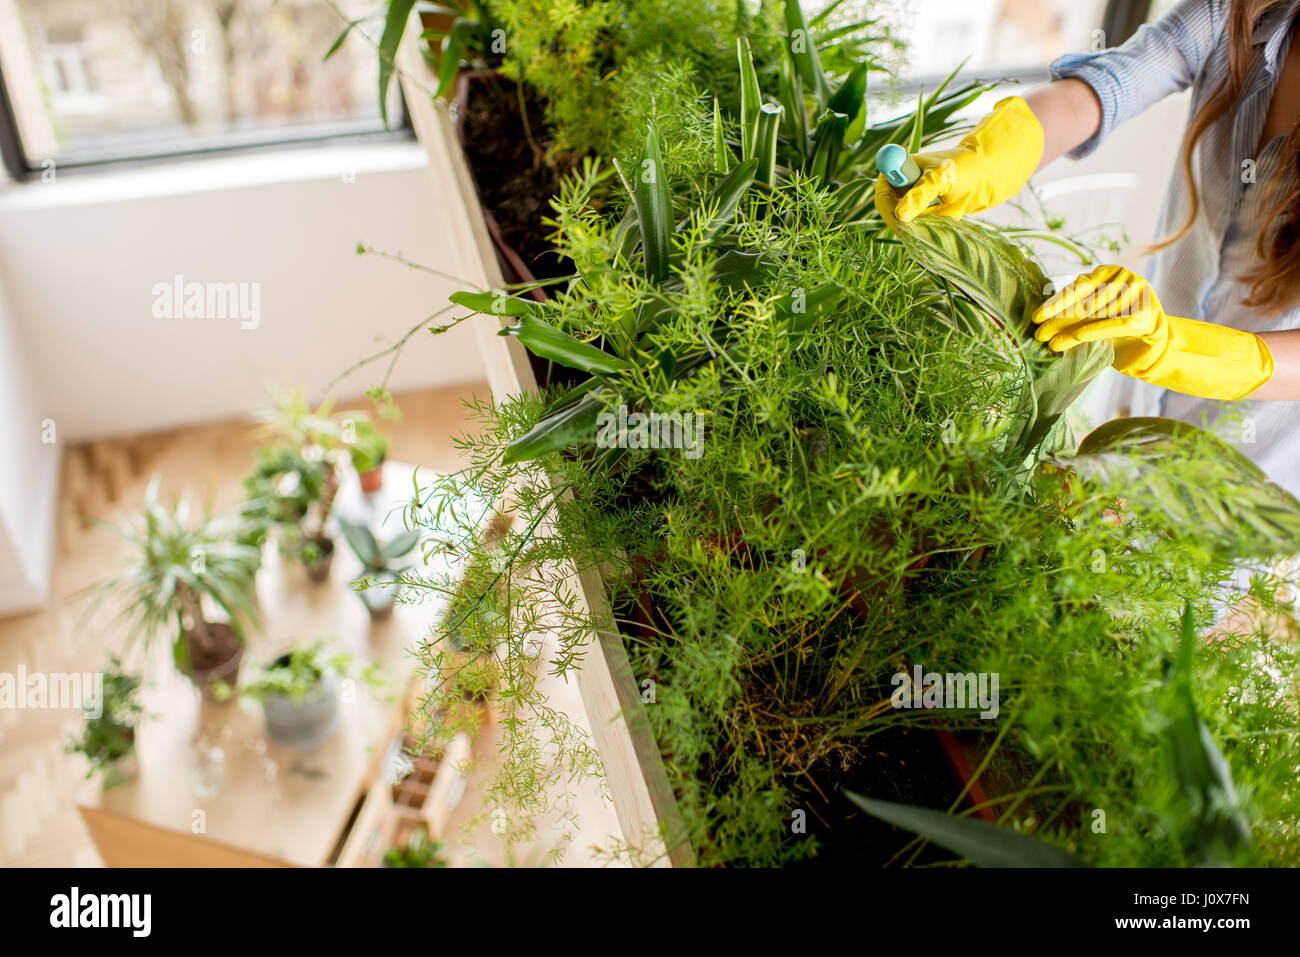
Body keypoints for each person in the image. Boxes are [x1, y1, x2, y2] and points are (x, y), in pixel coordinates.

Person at [875, 0, 1300, 496]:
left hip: (1257, 472)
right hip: (1146, 411)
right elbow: (1103, 87)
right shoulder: (1243, 13)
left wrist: (1174, 347)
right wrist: (988, 155)